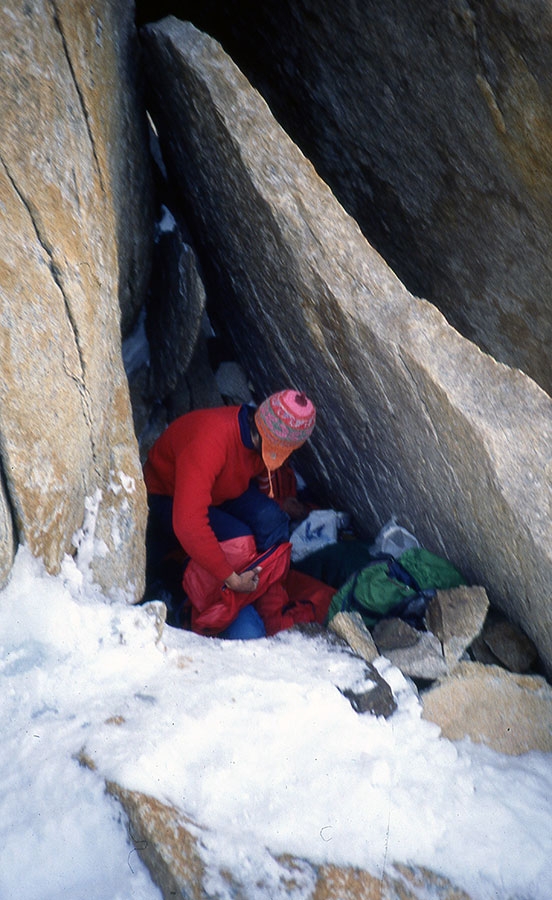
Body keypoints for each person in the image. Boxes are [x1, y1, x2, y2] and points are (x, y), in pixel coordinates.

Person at [143, 389, 317, 638]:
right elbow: (188, 523)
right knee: (239, 540)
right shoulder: (211, 441)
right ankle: (218, 597)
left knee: (272, 519)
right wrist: (230, 577)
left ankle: (268, 607)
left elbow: (244, 476)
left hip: (219, 493)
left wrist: (279, 502)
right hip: (167, 497)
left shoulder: (258, 436)